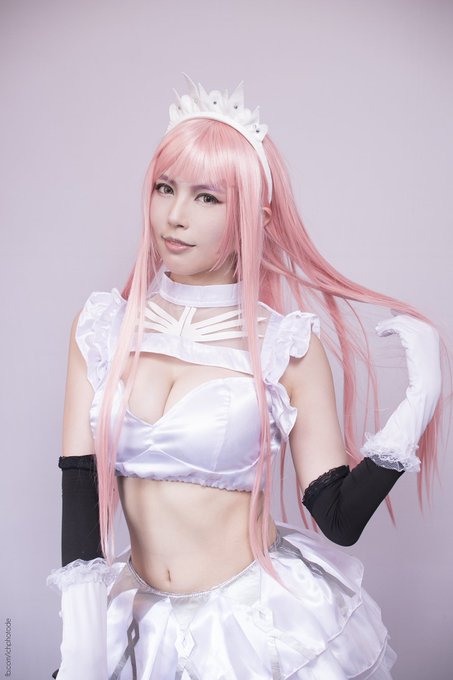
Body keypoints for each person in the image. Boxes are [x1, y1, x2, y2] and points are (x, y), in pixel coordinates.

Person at [47, 74, 447, 679]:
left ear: (252, 217)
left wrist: (419, 403)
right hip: (138, 629)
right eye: (164, 188)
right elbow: (80, 492)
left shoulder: (286, 347)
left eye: (207, 198)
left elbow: (338, 519)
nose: (175, 216)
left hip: (256, 631)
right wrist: (81, 650)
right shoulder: (102, 328)